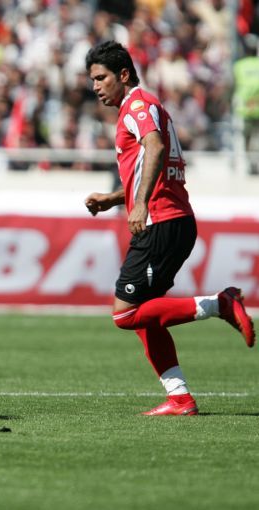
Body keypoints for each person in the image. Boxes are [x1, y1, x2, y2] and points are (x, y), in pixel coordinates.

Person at [84, 41, 256, 416]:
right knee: (147, 316)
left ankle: (220, 304)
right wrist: (115, 199)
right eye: (93, 80)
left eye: (101, 78)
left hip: (161, 220)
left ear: (123, 75)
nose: (96, 86)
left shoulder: (138, 106)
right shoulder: (147, 106)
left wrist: (141, 204)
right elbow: (153, 164)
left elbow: (156, 147)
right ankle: (179, 397)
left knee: (125, 315)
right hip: (173, 218)